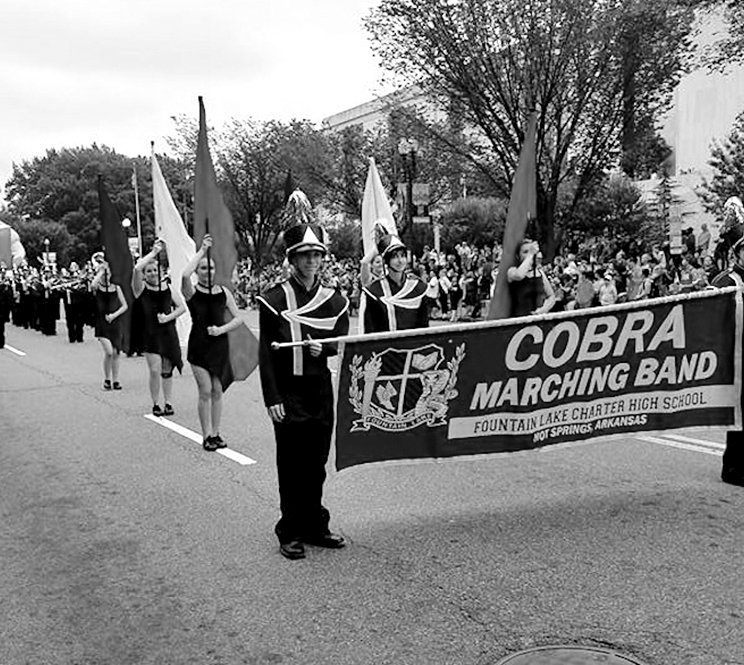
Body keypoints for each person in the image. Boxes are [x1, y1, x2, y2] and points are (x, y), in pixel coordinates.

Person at [258, 221, 350, 560]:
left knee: (316, 462)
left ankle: (315, 524)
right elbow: (265, 354)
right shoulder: (274, 299)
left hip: (319, 388)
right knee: (293, 463)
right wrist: (273, 397)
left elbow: (340, 340)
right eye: (304, 255)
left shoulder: (334, 298)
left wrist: (323, 350)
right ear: (292, 259)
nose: (311, 260)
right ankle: (290, 529)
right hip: (289, 389)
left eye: (316, 254)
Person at [182, 234, 245, 452]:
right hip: (199, 345)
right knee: (205, 390)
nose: (207, 272)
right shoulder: (191, 293)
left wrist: (221, 330)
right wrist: (202, 250)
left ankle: (216, 433)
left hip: (219, 346)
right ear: (197, 272)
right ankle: (206, 434)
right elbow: (183, 275)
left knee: (218, 390)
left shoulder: (223, 292)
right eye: (203, 269)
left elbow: (238, 318)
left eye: (210, 268)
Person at [132, 240, 185, 417]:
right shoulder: (140, 289)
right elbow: (136, 269)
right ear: (145, 275)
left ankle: (168, 402)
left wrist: (168, 317)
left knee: (166, 370)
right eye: (150, 271)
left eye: (155, 270)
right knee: (154, 370)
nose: (153, 273)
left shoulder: (167, 287)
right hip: (150, 334)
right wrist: (154, 253)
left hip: (167, 332)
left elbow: (181, 308)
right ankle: (156, 403)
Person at [711, 236, 744, 487]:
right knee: (742, 415)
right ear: (737, 253)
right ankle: (733, 468)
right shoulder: (725, 281)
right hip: (736, 356)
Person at [359, 234, 429, 333]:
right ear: (386, 261)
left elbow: (424, 327)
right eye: (395, 257)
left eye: (402, 256)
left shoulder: (418, 287)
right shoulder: (374, 291)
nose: (400, 261)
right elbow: (369, 330)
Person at [91, 255, 128, 390]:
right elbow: (93, 284)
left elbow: (125, 306)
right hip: (102, 323)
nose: (106, 276)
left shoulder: (116, 288)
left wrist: (114, 315)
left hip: (115, 323)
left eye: (108, 273)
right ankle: (107, 378)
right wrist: (101, 270)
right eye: (104, 274)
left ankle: (116, 380)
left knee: (116, 352)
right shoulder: (98, 287)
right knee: (109, 352)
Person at [507, 238, 556, 317]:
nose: (529, 254)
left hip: (538, 319)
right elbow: (519, 275)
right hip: (518, 320)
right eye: (525, 252)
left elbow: (551, 296)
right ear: (518, 255)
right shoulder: (512, 271)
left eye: (531, 251)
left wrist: (544, 309)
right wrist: (530, 255)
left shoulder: (539, 272)